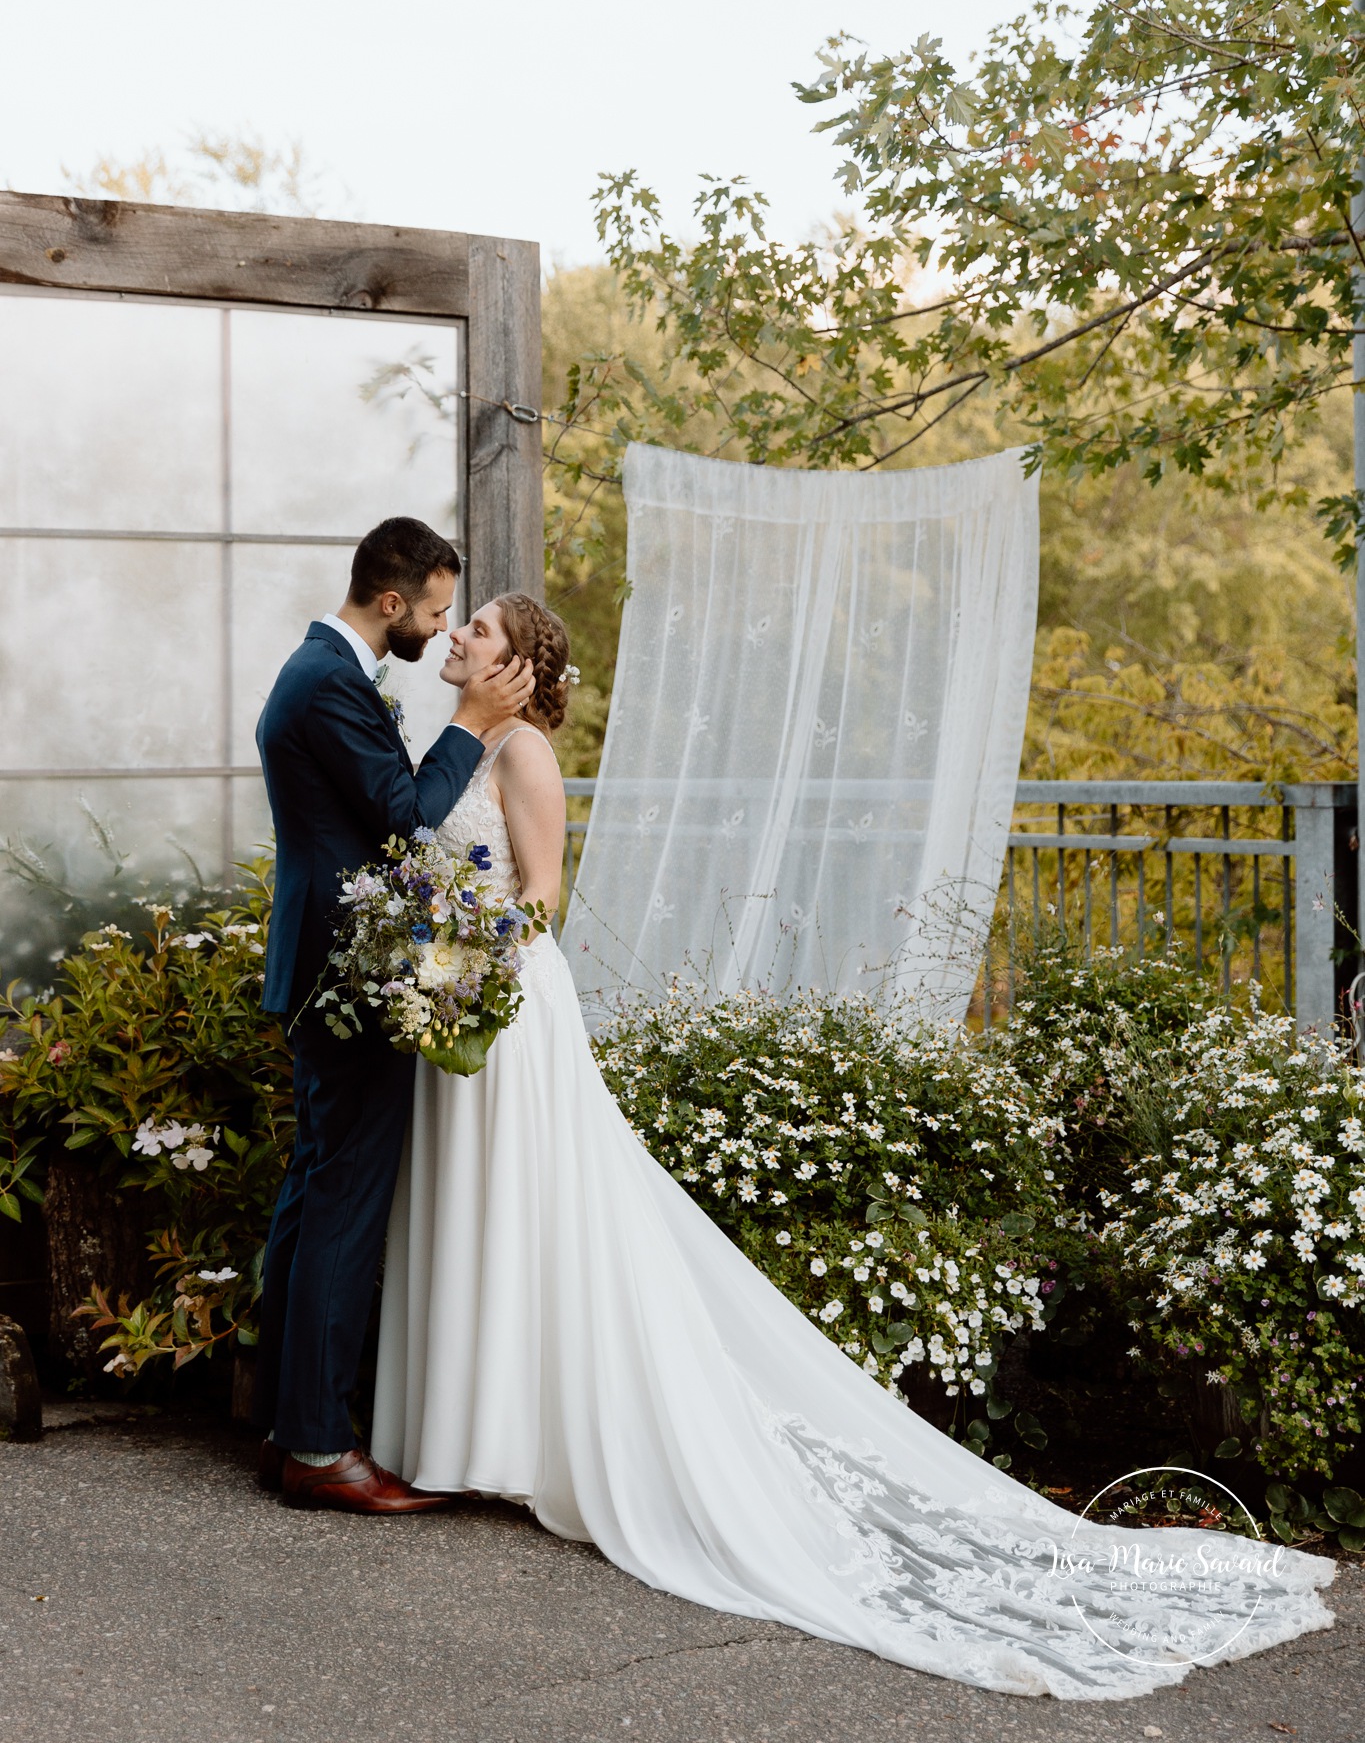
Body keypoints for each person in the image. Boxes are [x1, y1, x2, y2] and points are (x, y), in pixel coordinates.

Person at [370, 593, 1335, 1699]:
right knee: (473, 1211)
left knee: (527, 1211)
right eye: (460, 626)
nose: (456, 638)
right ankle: (468, 1433)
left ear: (521, 662)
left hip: (509, 1006)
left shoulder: (526, 751)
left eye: (477, 628)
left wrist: (462, 957)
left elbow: (540, 899)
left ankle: (509, 1441)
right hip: (450, 1004)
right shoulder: (454, 741)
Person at [252, 517, 534, 1514]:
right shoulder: (329, 680)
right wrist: (470, 718)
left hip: (329, 968)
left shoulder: (326, 669)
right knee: (343, 1202)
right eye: (437, 608)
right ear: (391, 603)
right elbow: (405, 810)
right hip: (349, 976)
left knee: (313, 1188)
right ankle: (321, 1447)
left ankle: (287, 1420)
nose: (443, 624)